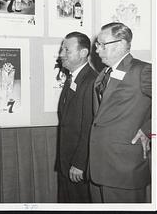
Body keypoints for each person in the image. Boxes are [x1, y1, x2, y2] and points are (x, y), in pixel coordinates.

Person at [89, 22, 151, 203]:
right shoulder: (104, 74)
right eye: (97, 45)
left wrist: (149, 131)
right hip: (98, 167)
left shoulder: (143, 70)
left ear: (121, 44)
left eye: (101, 44)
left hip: (123, 170)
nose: (97, 50)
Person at [54, 32, 97, 203]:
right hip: (67, 162)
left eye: (66, 50)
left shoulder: (91, 81)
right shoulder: (73, 78)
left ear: (83, 53)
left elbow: (90, 125)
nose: (61, 55)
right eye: (61, 49)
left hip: (77, 167)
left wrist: (80, 162)